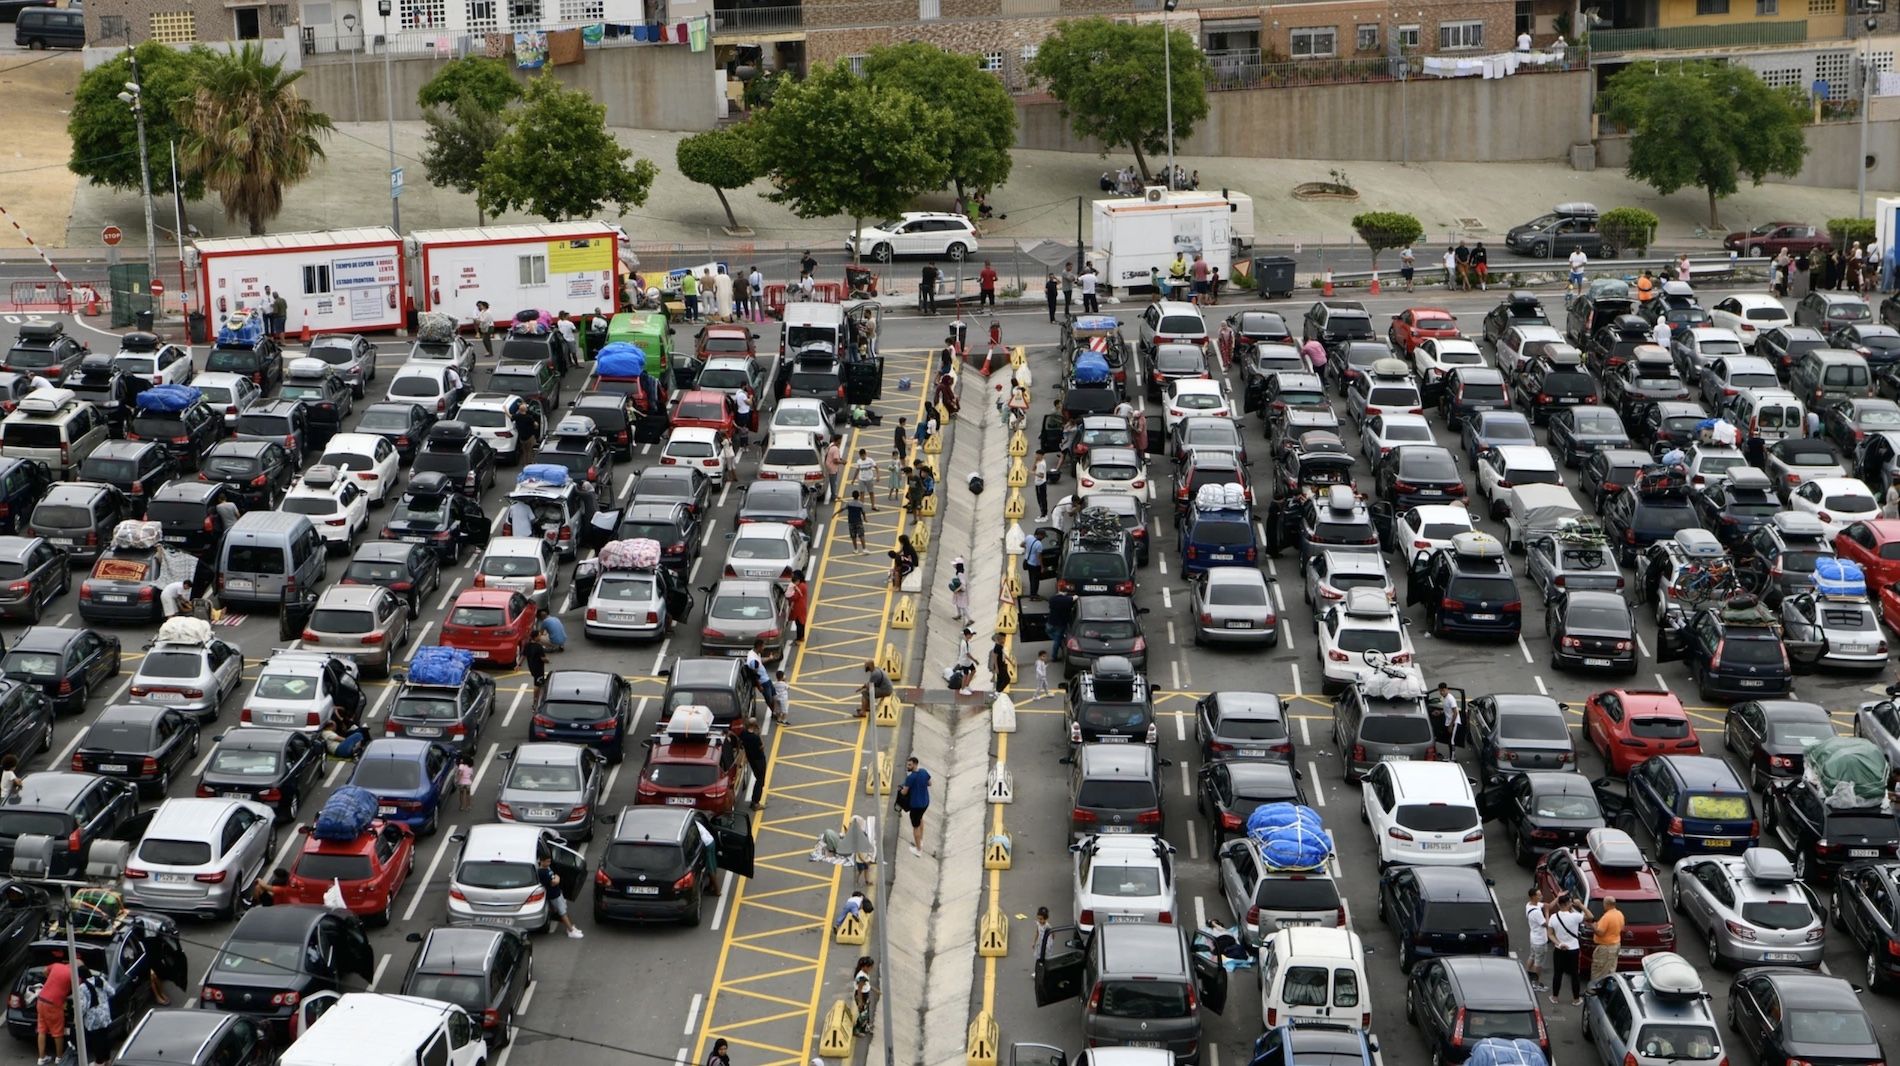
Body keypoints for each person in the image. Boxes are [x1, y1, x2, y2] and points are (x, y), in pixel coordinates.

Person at [1547, 892, 1585, 1005]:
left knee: (1558, 973)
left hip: (1559, 949)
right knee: (1574, 974)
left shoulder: (1553, 917)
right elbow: (1590, 916)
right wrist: (1580, 906)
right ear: (1569, 903)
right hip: (1573, 949)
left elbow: (1550, 934)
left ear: (1558, 904)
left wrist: (1559, 943)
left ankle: (1555, 997)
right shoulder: (1575, 916)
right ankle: (1576, 999)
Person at [537, 853, 583, 938]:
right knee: (563, 912)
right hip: (553, 895)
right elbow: (554, 882)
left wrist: (556, 878)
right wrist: (557, 878)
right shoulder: (542, 872)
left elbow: (554, 878)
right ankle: (571, 930)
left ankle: (571, 927)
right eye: (547, 862)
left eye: (549, 861)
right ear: (541, 861)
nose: (548, 863)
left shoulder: (547, 868)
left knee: (564, 909)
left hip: (557, 892)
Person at [36, 955, 71, 1065]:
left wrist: (50, 979)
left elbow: (45, 970)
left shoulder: (56, 965)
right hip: (53, 1004)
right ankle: (59, 1058)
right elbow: (77, 989)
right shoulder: (74, 975)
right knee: (57, 1032)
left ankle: (41, 1058)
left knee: (42, 1029)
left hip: (41, 1000)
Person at [77, 963, 110, 1066]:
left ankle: (99, 1062)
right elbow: (112, 991)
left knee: (96, 1041)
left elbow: (83, 1006)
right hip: (105, 1015)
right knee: (105, 1038)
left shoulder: (82, 987)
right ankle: (107, 1060)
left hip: (93, 1018)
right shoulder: (101, 980)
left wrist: (77, 1018)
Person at [1587, 895, 1625, 986]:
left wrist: (1593, 927)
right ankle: (1607, 991)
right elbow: (1622, 928)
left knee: (1598, 972)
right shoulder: (1619, 914)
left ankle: (1594, 992)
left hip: (1605, 948)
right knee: (1610, 972)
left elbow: (1600, 933)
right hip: (1615, 946)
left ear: (1607, 904)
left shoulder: (1607, 917)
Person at [897, 755, 931, 855]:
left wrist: (900, 789)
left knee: (915, 826)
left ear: (915, 764)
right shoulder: (924, 772)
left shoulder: (910, 778)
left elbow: (904, 792)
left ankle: (918, 849)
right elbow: (929, 783)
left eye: (910, 765)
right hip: (925, 802)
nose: (908, 766)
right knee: (920, 818)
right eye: (907, 764)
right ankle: (920, 840)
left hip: (916, 806)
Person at [739, 716, 769, 808]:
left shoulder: (743, 733)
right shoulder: (755, 738)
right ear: (754, 725)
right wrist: (759, 734)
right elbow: (762, 746)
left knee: (758, 778)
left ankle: (754, 801)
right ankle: (755, 802)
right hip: (759, 759)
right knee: (760, 780)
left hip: (751, 759)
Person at [1525, 886, 1548, 991]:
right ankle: (1536, 984)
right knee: (1538, 963)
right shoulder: (1537, 912)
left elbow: (1547, 905)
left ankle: (1526, 974)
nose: (1541, 896)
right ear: (1533, 897)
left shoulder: (1529, 905)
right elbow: (1546, 924)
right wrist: (1547, 913)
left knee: (1532, 956)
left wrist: (1558, 898)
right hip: (1540, 940)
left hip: (1533, 938)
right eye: (1539, 895)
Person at [1046, 589, 1075, 660]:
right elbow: (1075, 598)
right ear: (1065, 593)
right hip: (1060, 624)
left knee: (1050, 633)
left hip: (1050, 622)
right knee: (1057, 640)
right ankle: (1054, 656)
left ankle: (1060, 643)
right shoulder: (1067, 600)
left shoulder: (1052, 599)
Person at [852, 956, 877, 1035]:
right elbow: (859, 990)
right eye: (870, 967)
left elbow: (867, 985)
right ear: (865, 967)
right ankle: (856, 1030)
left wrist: (874, 990)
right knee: (863, 1015)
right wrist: (860, 1002)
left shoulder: (865, 973)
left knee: (866, 1013)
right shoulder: (861, 977)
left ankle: (865, 1027)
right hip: (861, 996)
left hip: (865, 995)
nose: (872, 968)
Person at [1438, 682, 1463, 754]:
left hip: (1454, 722)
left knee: (1451, 741)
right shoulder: (1444, 698)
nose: (1442, 692)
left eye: (1443, 690)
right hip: (1448, 721)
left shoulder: (1450, 699)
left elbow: (1455, 712)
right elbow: (1447, 709)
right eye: (1440, 691)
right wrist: (1440, 712)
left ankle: (1453, 758)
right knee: (1448, 740)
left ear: (1447, 689)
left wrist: (1451, 725)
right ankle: (1451, 757)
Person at [523, 633, 549, 698]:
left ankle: (538, 698)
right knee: (537, 684)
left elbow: (523, 655)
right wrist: (547, 661)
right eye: (539, 636)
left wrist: (518, 665)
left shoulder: (527, 645)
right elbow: (543, 658)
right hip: (538, 669)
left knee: (539, 682)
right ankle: (535, 701)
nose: (540, 637)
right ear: (535, 637)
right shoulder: (539, 646)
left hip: (532, 667)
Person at [787, 570, 809, 642]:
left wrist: (788, 597)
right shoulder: (802, 584)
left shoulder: (801, 586)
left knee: (799, 623)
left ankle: (799, 638)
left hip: (799, 607)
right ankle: (801, 637)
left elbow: (795, 597)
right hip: (801, 606)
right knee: (801, 622)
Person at [1021, 531, 1044, 601]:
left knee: (1031, 579)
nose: (1043, 538)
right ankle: (1034, 596)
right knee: (1036, 581)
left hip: (1028, 562)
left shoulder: (1029, 537)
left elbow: (1021, 545)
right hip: (1035, 565)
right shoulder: (1039, 544)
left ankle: (1032, 595)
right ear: (1039, 535)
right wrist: (1042, 567)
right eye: (1043, 536)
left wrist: (1027, 548)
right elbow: (1039, 557)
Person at [949, 558, 971, 623]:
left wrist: (956, 590)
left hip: (961, 592)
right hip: (960, 592)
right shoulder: (961, 571)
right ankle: (959, 614)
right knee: (957, 603)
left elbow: (963, 585)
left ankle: (969, 619)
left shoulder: (959, 574)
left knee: (962, 606)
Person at [1033, 453, 1050, 520]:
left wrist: (1034, 473)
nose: (1036, 456)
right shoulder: (1038, 462)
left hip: (1041, 484)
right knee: (1039, 500)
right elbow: (1033, 468)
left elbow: (1041, 475)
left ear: (1041, 455)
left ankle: (1044, 515)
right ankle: (1042, 514)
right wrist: (1035, 461)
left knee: (1042, 500)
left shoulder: (1041, 464)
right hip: (1038, 484)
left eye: (1037, 455)